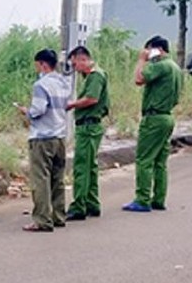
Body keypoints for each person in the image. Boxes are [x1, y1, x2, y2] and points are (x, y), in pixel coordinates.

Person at [123, 36, 183, 212]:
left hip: (154, 118)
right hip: (167, 117)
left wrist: (141, 60)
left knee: (144, 159)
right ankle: (159, 198)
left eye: (149, 50)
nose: (147, 53)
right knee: (160, 162)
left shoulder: (162, 65)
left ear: (158, 49)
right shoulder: (175, 68)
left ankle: (142, 199)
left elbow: (139, 79)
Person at [16, 49, 71, 232]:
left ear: (43, 64)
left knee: (41, 179)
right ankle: (58, 216)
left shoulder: (41, 85)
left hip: (42, 137)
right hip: (60, 136)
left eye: (37, 65)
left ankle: (42, 219)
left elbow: (38, 110)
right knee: (58, 178)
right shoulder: (63, 83)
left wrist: (26, 111)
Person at [65, 46, 110, 220]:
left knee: (82, 166)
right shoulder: (95, 75)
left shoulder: (95, 76)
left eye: (75, 63)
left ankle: (79, 206)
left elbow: (92, 98)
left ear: (82, 59)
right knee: (90, 166)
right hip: (91, 125)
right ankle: (92, 203)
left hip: (88, 126)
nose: (75, 68)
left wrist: (72, 105)